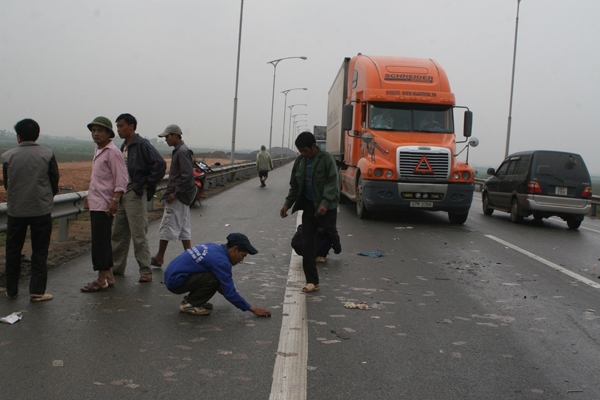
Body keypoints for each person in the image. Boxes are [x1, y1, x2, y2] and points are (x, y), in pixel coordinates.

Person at [2, 119, 59, 301]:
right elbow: (54, 182)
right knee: (40, 250)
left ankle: (11, 290)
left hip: (16, 210)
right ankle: (37, 291)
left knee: (13, 250)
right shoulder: (47, 154)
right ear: (37, 135)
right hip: (41, 210)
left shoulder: (7, 156)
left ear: (18, 136)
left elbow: (6, 183)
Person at [280, 131, 341, 293]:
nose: (303, 154)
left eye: (305, 151)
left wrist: (325, 203)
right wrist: (287, 204)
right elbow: (294, 186)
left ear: (314, 146)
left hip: (326, 207)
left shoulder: (326, 159)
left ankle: (337, 245)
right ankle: (312, 281)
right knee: (308, 245)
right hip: (308, 206)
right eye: (300, 151)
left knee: (330, 231)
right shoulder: (299, 162)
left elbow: (332, 182)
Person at [111, 113, 166, 283]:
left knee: (138, 234)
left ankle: (145, 270)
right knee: (118, 233)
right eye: (117, 126)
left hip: (134, 193)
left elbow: (160, 164)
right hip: (122, 194)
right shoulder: (124, 146)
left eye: (121, 126)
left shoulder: (141, 144)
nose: (118, 129)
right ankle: (116, 267)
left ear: (132, 127)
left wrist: (146, 183)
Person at [163, 233, 272, 317]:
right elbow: (229, 291)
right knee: (215, 277)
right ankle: (190, 305)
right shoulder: (221, 261)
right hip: (175, 281)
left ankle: (197, 300)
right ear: (234, 249)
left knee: (217, 277)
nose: (241, 260)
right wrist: (252, 309)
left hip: (172, 276)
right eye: (242, 255)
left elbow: (223, 288)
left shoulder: (214, 247)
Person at [81, 117, 128, 292]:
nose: (96, 133)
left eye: (100, 130)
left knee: (100, 242)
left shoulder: (113, 152)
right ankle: (108, 275)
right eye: (93, 130)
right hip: (96, 201)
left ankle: (101, 280)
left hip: (105, 204)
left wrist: (115, 200)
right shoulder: (98, 150)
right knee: (103, 241)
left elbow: (121, 179)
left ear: (109, 133)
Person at [151, 124, 195, 272]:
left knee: (167, 224)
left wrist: (174, 193)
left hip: (177, 196)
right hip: (183, 196)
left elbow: (187, 176)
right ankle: (190, 258)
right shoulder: (181, 150)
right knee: (183, 227)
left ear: (176, 135)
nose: (166, 140)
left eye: (168, 136)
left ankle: (159, 257)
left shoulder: (181, 152)